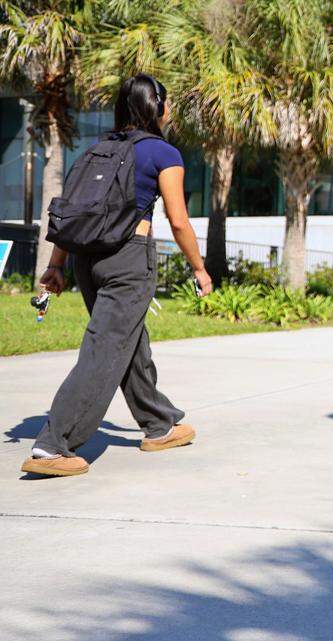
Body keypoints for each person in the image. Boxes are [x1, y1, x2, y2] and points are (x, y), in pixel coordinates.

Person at [21, 74, 213, 477]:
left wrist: (57, 266)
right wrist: (199, 267)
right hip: (129, 260)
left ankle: (159, 424)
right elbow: (178, 221)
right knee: (105, 347)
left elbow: (74, 213)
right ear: (157, 106)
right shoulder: (163, 153)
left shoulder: (96, 150)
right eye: (168, 102)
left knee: (127, 341)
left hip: (86, 262)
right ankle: (54, 444)